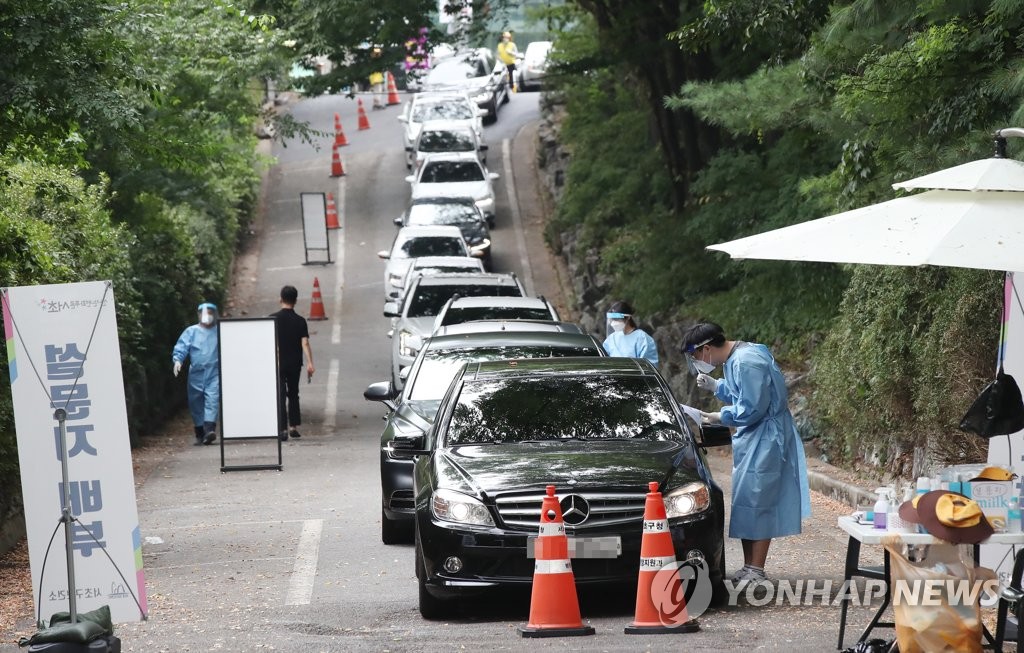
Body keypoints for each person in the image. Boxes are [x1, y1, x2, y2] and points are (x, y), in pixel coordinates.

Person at [682, 321, 811, 584]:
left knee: (759, 499)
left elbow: (753, 407)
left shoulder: (746, 361)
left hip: (765, 436)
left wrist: (720, 416)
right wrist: (716, 386)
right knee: (746, 499)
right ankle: (749, 566)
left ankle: (757, 568)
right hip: (753, 436)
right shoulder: (737, 358)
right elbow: (741, 392)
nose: (697, 362)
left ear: (706, 349)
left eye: (696, 357)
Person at [172, 302, 221, 446]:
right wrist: (177, 360)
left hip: (214, 371)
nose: (207, 316)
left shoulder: (219, 331)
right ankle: (200, 432)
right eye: (205, 313)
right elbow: (182, 346)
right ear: (199, 314)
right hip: (196, 374)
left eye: (210, 312)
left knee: (213, 398)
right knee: (196, 402)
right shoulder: (191, 331)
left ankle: (209, 429)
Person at [272, 285, 315, 441]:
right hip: (295, 363)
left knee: (280, 395)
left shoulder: (272, 319)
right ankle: (293, 426)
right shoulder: (300, 321)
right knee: (293, 394)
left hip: (277, 363)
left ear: (280, 299)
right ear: (295, 301)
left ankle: (282, 428)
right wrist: (310, 363)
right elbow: (305, 343)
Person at [602, 300, 659, 366]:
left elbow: (648, 367)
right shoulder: (611, 339)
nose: (614, 323)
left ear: (628, 318)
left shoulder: (642, 339)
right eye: (613, 319)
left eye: (617, 319)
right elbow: (604, 362)